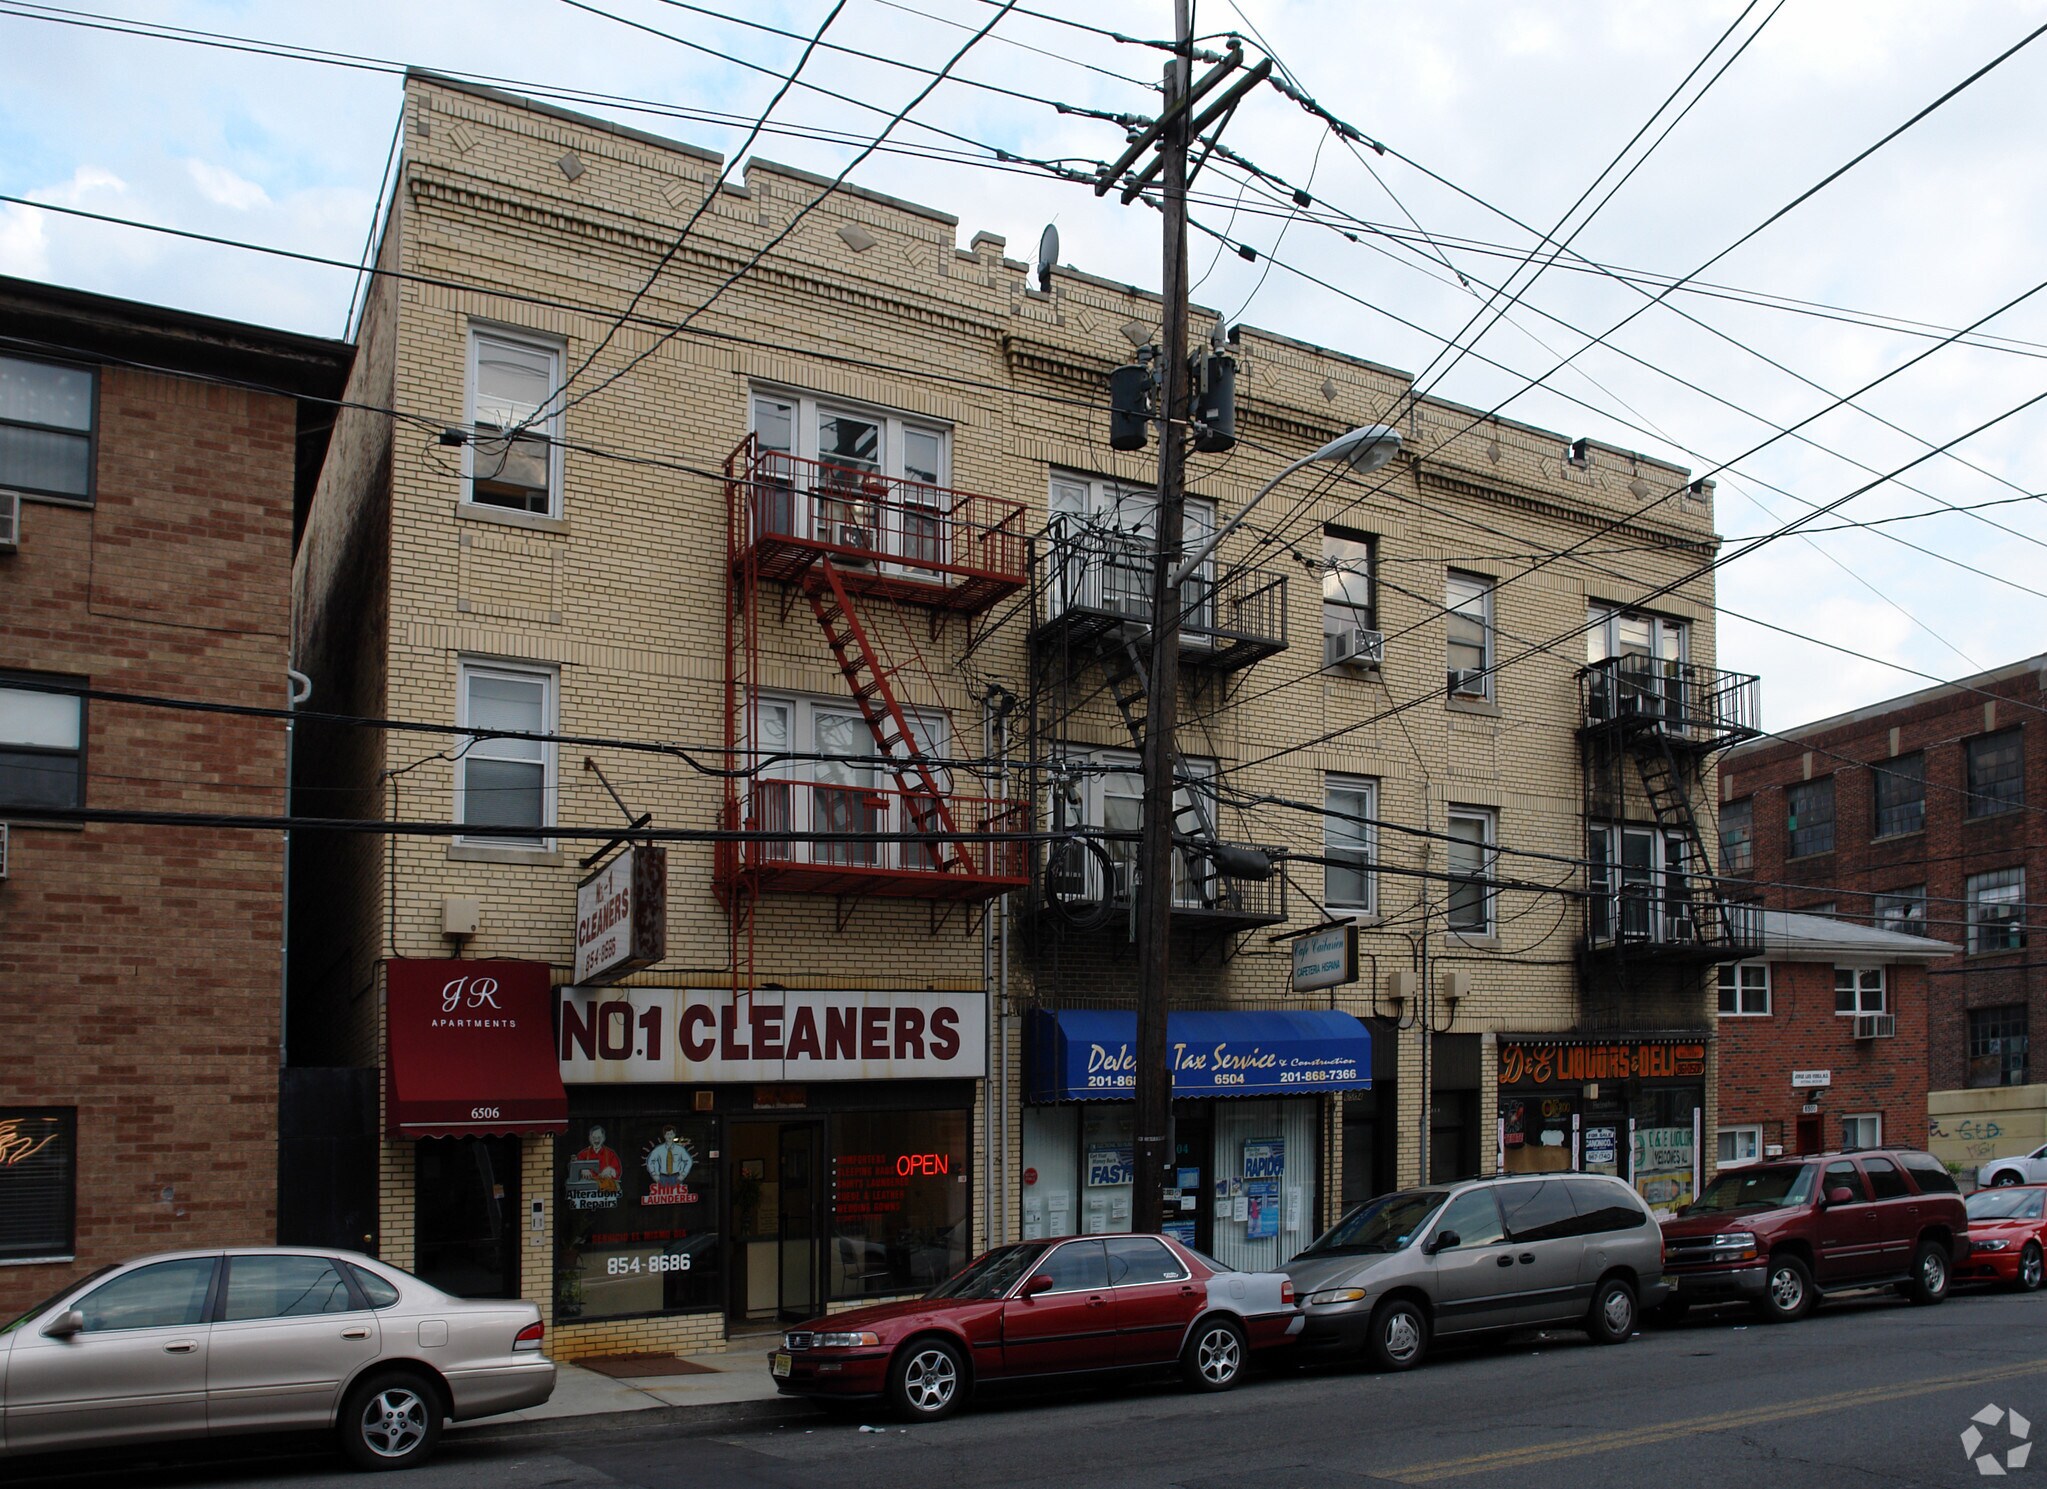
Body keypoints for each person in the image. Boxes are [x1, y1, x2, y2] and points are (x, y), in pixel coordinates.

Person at [576, 1125, 623, 1193]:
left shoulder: (611, 1154)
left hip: (606, 1192)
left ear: (603, 1138)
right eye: (594, 1137)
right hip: (587, 1191)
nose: (596, 1140)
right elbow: (574, 1170)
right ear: (589, 1138)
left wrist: (611, 1170)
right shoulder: (582, 1154)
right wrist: (582, 1169)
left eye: (599, 1137)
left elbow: (618, 1173)